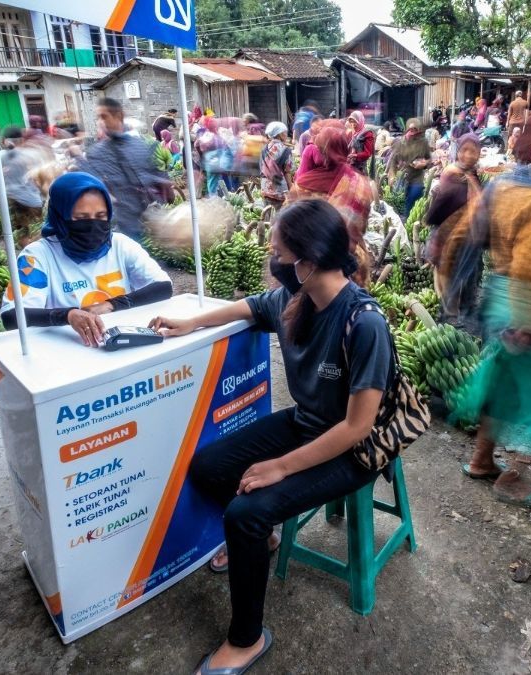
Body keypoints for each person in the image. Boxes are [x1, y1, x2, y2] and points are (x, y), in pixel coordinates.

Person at [148, 199, 393, 675]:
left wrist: (280, 467)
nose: (271, 258)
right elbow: (249, 306)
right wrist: (191, 322)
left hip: (352, 449)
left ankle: (247, 639)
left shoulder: (364, 323)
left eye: (277, 251)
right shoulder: (295, 300)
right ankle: (263, 540)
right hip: (307, 423)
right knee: (208, 467)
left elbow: (357, 426)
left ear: (306, 261)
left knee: (244, 515)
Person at [447, 121, 531, 510]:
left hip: (499, 295)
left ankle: (481, 460)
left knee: (501, 386)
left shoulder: (503, 185)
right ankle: (514, 477)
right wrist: (529, 324)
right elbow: (530, 268)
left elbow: (463, 232)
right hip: (526, 301)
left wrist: (451, 285)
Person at [0, 172, 171, 343]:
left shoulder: (121, 245)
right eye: (81, 218)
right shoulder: (37, 256)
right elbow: (11, 316)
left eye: (100, 216)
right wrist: (68, 315)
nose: (92, 225)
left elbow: (163, 287)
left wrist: (112, 305)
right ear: (60, 217)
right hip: (67, 350)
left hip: (121, 343)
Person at [288, 126, 375, 284]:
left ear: (319, 151)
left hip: (308, 266)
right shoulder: (359, 184)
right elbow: (361, 226)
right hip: (350, 265)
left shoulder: (302, 185)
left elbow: (286, 227)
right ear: (346, 149)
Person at [77, 98, 170, 239]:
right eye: (98, 118)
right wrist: (79, 159)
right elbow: (92, 184)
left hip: (149, 220)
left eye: (104, 117)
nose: (100, 122)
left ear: (119, 116)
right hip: (121, 226)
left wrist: (162, 182)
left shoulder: (139, 145)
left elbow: (152, 173)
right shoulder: (97, 153)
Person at [426, 133, 481, 323]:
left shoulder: (472, 174)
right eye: (464, 150)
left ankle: (461, 317)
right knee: (449, 279)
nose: (468, 155)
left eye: (473, 151)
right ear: (458, 152)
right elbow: (442, 206)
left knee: (464, 277)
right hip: (448, 236)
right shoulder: (452, 173)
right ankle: (449, 320)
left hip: (468, 238)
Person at [1, 127, 47, 247]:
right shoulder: (32, 155)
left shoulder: (1, 156)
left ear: (6, 140)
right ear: (22, 140)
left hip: (13, 199)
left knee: (23, 231)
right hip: (33, 200)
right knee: (38, 232)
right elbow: (41, 177)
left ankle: (27, 255)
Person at [386, 118, 431, 219]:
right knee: (399, 205)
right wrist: (392, 176)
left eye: (415, 130)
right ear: (406, 130)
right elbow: (393, 162)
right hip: (401, 179)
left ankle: (409, 223)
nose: (412, 133)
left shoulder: (423, 143)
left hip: (417, 178)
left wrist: (424, 164)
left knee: (413, 201)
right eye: (410, 130)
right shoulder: (399, 143)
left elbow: (429, 159)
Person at [260, 122, 293, 210]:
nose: (286, 135)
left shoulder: (264, 148)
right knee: (279, 217)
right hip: (279, 189)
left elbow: (262, 168)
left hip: (265, 187)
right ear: (280, 134)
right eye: (285, 132)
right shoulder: (286, 150)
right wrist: (291, 189)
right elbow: (287, 172)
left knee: (267, 214)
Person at [345, 111, 375, 175]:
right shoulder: (353, 133)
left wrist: (354, 155)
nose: (353, 124)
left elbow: (368, 153)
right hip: (351, 166)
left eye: (355, 121)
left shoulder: (367, 134)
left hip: (360, 169)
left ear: (360, 121)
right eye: (351, 122)